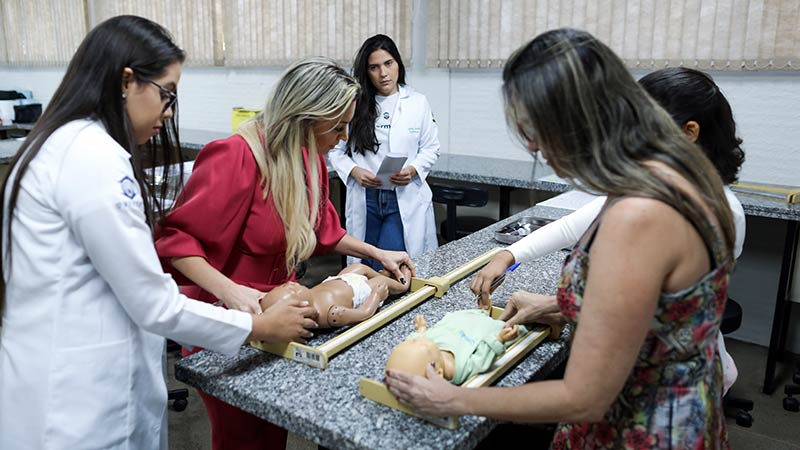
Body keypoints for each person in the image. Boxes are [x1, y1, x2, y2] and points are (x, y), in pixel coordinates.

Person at [385, 29, 735, 449]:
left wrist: (455, 398)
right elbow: (655, 309)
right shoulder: (669, 175)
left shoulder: (641, 214)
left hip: (643, 424)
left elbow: (584, 397)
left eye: (537, 130)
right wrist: (562, 305)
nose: (535, 148)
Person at [0, 16, 317, 450]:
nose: (168, 112)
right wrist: (257, 323)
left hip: (74, 374)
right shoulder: (91, 159)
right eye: (167, 94)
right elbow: (154, 303)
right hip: (77, 402)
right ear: (127, 81)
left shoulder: (63, 144)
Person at [155, 57, 415, 450]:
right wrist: (231, 292)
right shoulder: (235, 156)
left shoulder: (306, 158)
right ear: (306, 117)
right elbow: (177, 243)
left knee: (272, 429)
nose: (344, 137)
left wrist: (379, 252)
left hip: (281, 315)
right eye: (338, 126)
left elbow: (323, 229)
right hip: (228, 317)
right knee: (241, 435)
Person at [472, 66, 746, 394]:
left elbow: (646, 312)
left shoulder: (718, 212)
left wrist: (555, 307)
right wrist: (510, 253)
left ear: (689, 133)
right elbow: (579, 222)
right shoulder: (653, 186)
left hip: (669, 384)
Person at [328, 34, 440, 270]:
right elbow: (336, 150)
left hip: (402, 197)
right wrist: (354, 171)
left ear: (398, 63)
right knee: (364, 267)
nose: (383, 73)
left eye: (388, 63)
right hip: (366, 198)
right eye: (374, 67)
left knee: (389, 268)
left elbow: (431, 147)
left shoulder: (417, 102)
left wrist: (414, 169)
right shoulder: (354, 104)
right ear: (366, 71)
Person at [386, 311, 526, 385]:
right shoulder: (458, 369)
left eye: (415, 341)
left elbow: (414, 338)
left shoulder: (422, 342)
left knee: (466, 316)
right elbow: (482, 358)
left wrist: (421, 329)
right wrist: (499, 340)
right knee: (515, 328)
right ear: (438, 373)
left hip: (464, 322)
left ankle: (483, 310)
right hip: (481, 332)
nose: (421, 340)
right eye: (425, 347)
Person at [259, 263, 412, 328]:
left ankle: (380, 274)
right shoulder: (331, 314)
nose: (293, 284)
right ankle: (402, 285)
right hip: (358, 292)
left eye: (286, 285)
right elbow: (363, 313)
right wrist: (376, 296)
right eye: (292, 291)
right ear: (300, 311)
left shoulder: (309, 296)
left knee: (358, 267)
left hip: (337, 281)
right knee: (381, 281)